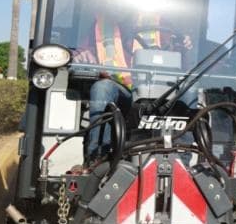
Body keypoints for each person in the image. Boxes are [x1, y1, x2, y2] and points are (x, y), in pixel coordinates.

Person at [74, 10, 193, 161]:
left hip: (160, 91)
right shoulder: (101, 26)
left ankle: (184, 160)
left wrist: (184, 44)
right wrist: (80, 57)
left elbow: (181, 59)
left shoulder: (160, 23)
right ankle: (98, 158)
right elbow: (82, 53)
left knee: (191, 89)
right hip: (124, 93)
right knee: (102, 88)